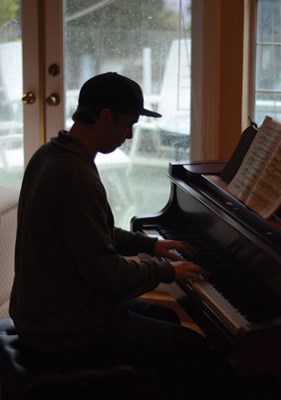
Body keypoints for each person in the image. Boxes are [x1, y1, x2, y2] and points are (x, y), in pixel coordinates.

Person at [9, 72, 221, 399]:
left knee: (164, 315)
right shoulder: (75, 175)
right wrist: (168, 271)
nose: (128, 135)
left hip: (41, 311)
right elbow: (108, 275)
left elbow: (91, 234)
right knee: (192, 348)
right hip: (62, 328)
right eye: (128, 124)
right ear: (107, 116)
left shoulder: (52, 154)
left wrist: (152, 244)